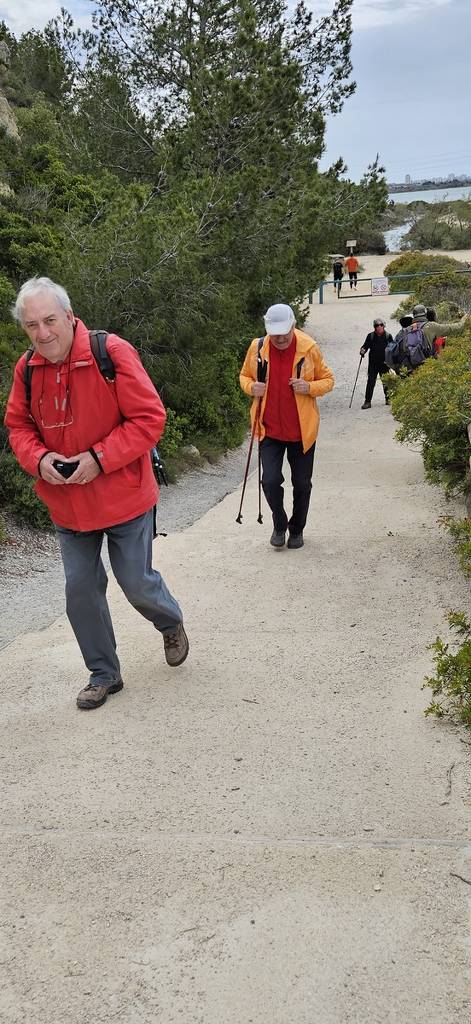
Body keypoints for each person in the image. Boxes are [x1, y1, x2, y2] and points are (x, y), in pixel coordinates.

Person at [5, 276, 189, 711]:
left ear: (69, 317)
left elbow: (149, 419)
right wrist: (39, 461)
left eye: (49, 320)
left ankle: (171, 620)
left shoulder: (112, 353)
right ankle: (104, 673)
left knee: (136, 582)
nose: (42, 333)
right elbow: (18, 427)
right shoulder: (26, 369)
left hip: (124, 496)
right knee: (80, 589)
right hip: (68, 505)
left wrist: (99, 458)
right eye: (31, 325)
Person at [239, 303, 334, 550]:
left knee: (302, 484)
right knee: (269, 481)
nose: (280, 337)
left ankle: (297, 529)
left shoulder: (308, 347)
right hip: (268, 429)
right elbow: (244, 377)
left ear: (293, 325)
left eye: (284, 331)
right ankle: (279, 523)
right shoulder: (258, 347)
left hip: (301, 432)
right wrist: (252, 388)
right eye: (275, 333)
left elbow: (328, 379)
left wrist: (309, 387)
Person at [360, 317, 393, 408]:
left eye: (381, 325)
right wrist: (362, 351)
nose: (379, 327)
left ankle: (388, 399)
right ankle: (367, 401)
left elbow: (392, 349)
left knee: (386, 381)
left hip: (384, 363)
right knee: (371, 382)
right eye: (377, 325)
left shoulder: (388, 336)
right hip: (373, 364)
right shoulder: (370, 336)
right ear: (374, 327)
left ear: (384, 326)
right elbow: (365, 346)